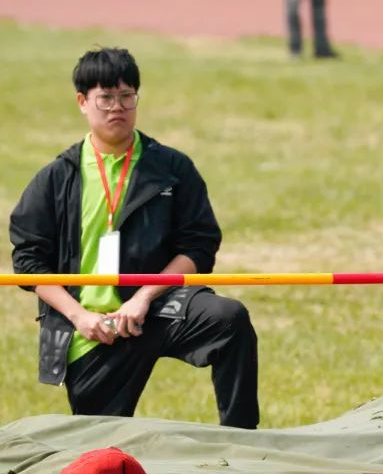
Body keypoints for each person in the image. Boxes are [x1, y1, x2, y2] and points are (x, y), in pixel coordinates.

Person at [9, 47, 259, 428]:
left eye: (127, 96)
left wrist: (143, 297)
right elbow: (28, 263)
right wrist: (80, 317)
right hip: (90, 329)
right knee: (100, 447)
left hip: (156, 306)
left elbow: (199, 245)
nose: (118, 107)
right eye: (106, 98)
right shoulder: (56, 178)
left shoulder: (171, 168)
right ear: (82, 102)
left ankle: (242, 441)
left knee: (228, 320)